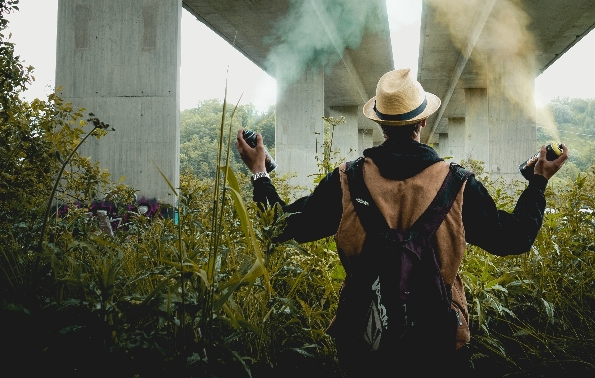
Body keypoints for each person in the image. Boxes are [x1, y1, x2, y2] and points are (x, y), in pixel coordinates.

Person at [235, 68, 568, 376]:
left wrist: (259, 172)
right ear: (422, 122)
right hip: (439, 343)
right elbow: (514, 238)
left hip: (363, 341)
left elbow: (280, 226)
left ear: (380, 124)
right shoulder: (459, 185)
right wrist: (537, 183)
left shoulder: (346, 181)